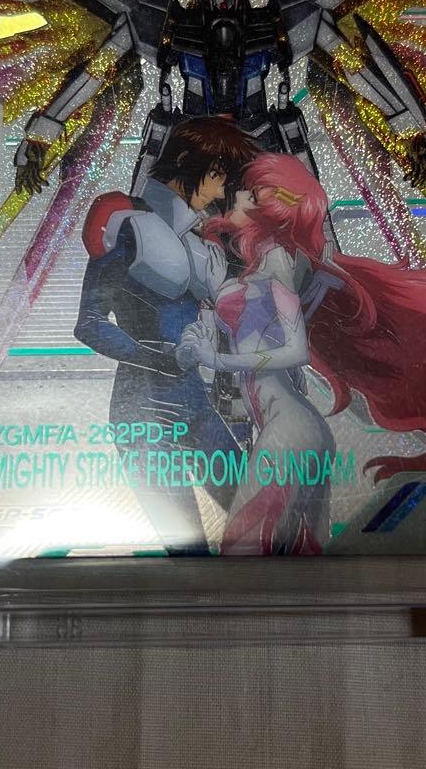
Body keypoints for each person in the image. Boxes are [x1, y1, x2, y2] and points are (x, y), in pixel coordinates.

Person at [176, 153, 426, 556]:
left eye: (250, 194)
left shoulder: (279, 263)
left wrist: (218, 359)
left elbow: (295, 350)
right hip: (298, 433)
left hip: (290, 433)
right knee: (304, 562)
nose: (236, 197)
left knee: (243, 556)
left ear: (273, 208)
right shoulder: (264, 265)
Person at [74, 116, 257, 555]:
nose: (219, 189)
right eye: (216, 174)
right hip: (143, 410)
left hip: (196, 401)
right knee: (188, 552)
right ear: (187, 162)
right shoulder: (130, 226)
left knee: (259, 528)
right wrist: (159, 358)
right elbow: (90, 322)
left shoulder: (200, 242)